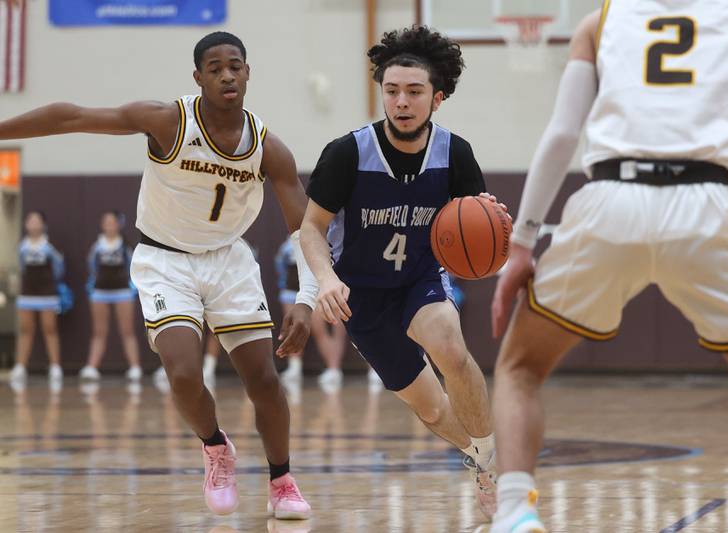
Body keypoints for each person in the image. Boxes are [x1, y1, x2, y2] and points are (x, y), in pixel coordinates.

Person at [487, 2, 728, 531]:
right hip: (708, 206)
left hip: (612, 201)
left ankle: (515, 515)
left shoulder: (600, 20)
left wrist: (521, 243)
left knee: (520, 368)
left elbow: (563, 134)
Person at [0, 31, 318, 520]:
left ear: (248, 73)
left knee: (265, 382)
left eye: (235, 66)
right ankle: (216, 448)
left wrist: (307, 297)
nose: (227, 75)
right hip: (165, 260)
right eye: (215, 68)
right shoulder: (167, 120)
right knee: (184, 373)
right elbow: (73, 116)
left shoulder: (269, 148)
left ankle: (282, 480)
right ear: (198, 78)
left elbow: (306, 231)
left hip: (229, 261)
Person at [300, 25, 500, 517]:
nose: (401, 102)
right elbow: (311, 228)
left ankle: (495, 462)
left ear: (437, 98)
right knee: (430, 407)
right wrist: (326, 279)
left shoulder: (455, 153)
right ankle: (476, 457)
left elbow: (477, 220)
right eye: (392, 91)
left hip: (419, 279)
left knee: (450, 348)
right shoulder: (346, 153)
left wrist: (489, 223)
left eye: (414, 92)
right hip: (361, 295)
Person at [275, 234, 382, 392]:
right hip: (299, 294)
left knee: (356, 332)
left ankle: (371, 369)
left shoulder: (336, 243)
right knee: (304, 330)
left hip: (336, 290)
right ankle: (300, 367)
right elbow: (281, 266)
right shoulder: (288, 247)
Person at [79, 211, 142, 382]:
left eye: (112, 222)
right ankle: (92, 367)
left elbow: (132, 266)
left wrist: (130, 287)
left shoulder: (125, 246)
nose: (109, 225)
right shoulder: (97, 246)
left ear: (118, 225)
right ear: (102, 224)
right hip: (100, 293)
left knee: (127, 331)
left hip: (122, 292)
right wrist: (94, 285)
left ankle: (135, 367)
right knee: (99, 332)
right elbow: (91, 266)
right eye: (105, 221)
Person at [9, 211, 65, 389]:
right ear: (26, 225)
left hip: (47, 293)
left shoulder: (49, 246)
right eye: (30, 220)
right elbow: (19, 269)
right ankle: (20, 367)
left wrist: (50, 284)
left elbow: (59, 268)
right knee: (26, 329)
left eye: (36, 221)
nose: (33, 224)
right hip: (27, 294)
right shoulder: (22, 247)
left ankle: (55, 366)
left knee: (49, 329)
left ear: (43, 224)